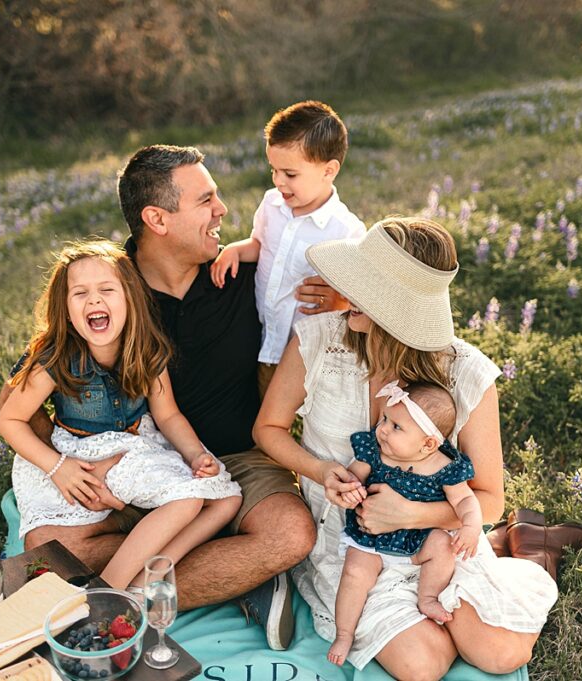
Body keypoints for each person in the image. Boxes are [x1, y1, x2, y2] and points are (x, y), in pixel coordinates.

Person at [0, 144, 324, 650]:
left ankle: (109, 600)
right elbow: (17, 404)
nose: (222, 212)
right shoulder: (108, 286)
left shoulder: (242, 274)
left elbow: (324, 293)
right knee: (48, 551)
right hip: (126, 458)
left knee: (290, 535)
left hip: (233, 455)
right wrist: (70, 464)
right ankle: (234, 572)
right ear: (157, 218)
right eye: (206, 200)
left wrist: (341, 295)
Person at [254, 217, 559, 676]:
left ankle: (523, 551)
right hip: (355, 547)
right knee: (423, 665)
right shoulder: (318, 340)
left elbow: (490, 497)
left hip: (438, 543)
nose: (345, 291)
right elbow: (268, 429)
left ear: (399, 307)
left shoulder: (467, 375)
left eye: (363, 286)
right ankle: (496, 561)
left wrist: (415, 515)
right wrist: (320, 472)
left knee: (500, 654)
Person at [0, 240, 242, 589]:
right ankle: (111, 589)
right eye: (80, 293)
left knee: (227, 498)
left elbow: (168, 416)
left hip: (134, 447)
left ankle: (147, 578)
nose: (94, 300)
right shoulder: (56, 359)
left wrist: (195, 454)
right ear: (65, 309)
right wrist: (57, 467)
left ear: (129, 298)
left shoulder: (148, 350)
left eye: (106, 290)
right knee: (188, 501)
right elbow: (9, 419)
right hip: (79, 455)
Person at [209, 101, 365, 396]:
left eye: (290, 174)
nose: (279, 181)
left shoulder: (346, 230)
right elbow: (260, 245)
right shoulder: (272, 204)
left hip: (309, 352)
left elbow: (359, 297)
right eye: (274, 170)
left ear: (328, 171)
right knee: (260, 402)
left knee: (306, 410)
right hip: (263, 337)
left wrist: (340, 301)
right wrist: (237, 250)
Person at [327, 381, 486, 666]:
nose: (383, 429)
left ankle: (428, 596)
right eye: (385, 419)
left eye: (396, 427)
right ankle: (344, 632)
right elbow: (352, 476)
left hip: (417, 541)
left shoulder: (445, 466)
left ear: (428, 444)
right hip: (371, 538)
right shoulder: (375, 451)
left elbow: (465, 501)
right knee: (354, 573)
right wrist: (349, 489)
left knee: (442, 546)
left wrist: (471, 527)